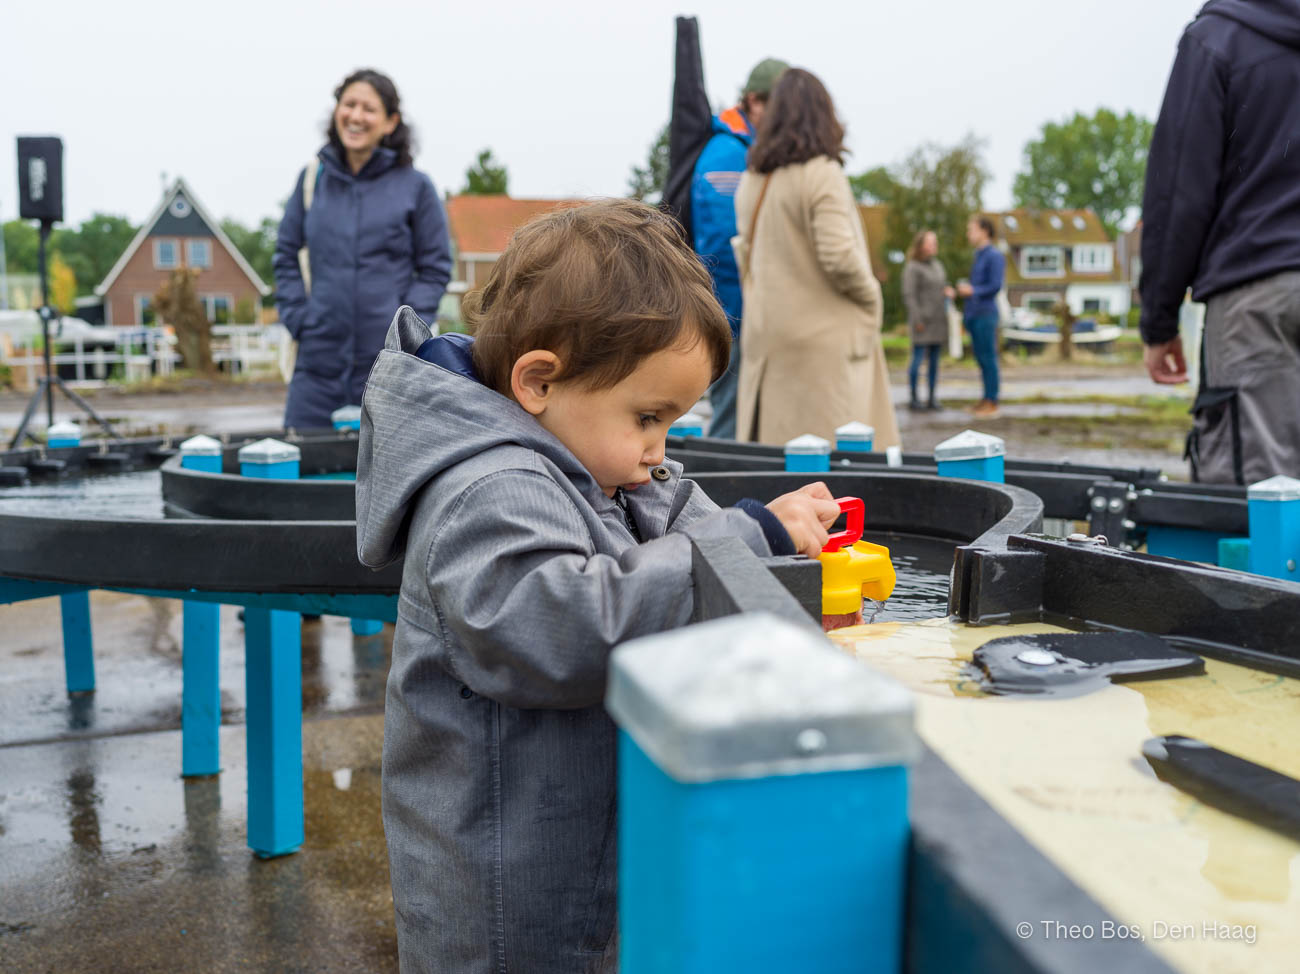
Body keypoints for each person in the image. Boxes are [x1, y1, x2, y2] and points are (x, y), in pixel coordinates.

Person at [353, 199, 841, 973]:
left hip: (573, 871)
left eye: (674, 421)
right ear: (539, 381)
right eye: (649, 416)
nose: (661, 447)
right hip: (503, 909)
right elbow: (562, 626)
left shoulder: (587, 456)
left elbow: (675, 509)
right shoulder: (488, 489)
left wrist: (774, 535)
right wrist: (750, 539)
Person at [1140, 0, 1300, 485]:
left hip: (1257, 294)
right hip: (1262, 289)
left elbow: (1179, 191)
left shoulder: (1217, 39)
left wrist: (1159, 318)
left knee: (1259, 500)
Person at [273, 68, 452, 430]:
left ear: (390, 122)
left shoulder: (416, 187)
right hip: (315, 372)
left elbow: (434, 267)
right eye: (348, 104)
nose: (356, 116)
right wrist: (299, 319)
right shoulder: (311, 180)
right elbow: (286, 254)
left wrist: (403, 331)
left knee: (387, 478)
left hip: (387, 368)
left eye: (368, 109)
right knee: (305, 474)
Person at [732, 67, 900, 449]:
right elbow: (838, 255)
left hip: (770, 343)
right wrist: (871, 298)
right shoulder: (822, 174)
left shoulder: (753, 181)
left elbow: (746, 259)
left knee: (780, 476)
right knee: (834, 476)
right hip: (824, 350)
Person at [691, 57, 789, 438]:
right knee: (731, 415)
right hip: (734, 312)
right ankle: (719, 492)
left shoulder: (748, 150)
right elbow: (721, 242)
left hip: (747, 308)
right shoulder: (728, 153)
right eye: (777, 109)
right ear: (755, 101)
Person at [957, 216, 1004, 417]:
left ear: (984, 231)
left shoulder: (994, 255)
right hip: (974, 314)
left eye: (971, 230)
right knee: (981, 359)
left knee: (988, 358)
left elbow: (995, 286)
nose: (969, 234)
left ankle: (992, 401)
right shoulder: (979, 255)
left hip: (986, 314)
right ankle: (985, 399)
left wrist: (972, 290)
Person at [902, 229, 948, 411]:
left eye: (935, 242)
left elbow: (939, 287)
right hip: (922, 322)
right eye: (930, 242)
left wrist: (947, 291)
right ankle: (914, 398)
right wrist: (917, 319)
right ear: (920, 245)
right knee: (917, 360)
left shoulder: (938, 265)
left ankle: (931, 398)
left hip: (938, 321)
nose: (934, 246)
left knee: (934, 363)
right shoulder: (912, 267)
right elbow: (909, 295)